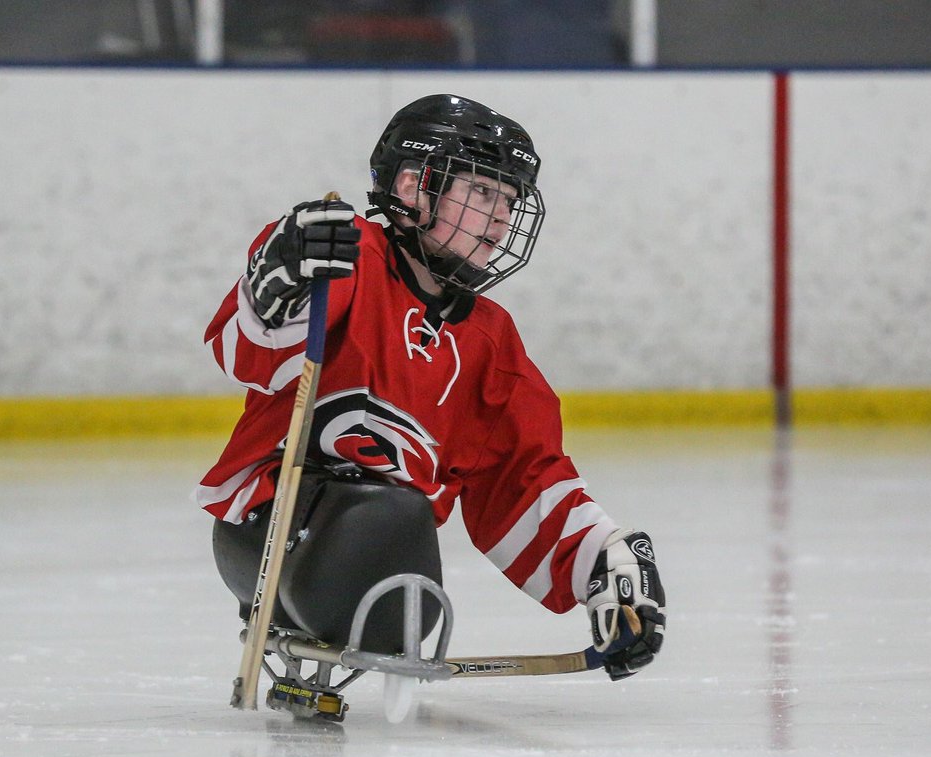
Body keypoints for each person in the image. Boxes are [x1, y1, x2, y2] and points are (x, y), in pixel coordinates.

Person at [196, 94, 665, 680]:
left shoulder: (490, 339)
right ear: (416, 189)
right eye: (484, 192)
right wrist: (281, 276)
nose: (501, 217)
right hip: (265, 529)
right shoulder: (349, 258)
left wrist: (602, 562)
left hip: (377, 550)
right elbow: (246, 356)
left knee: (396, 525)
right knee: (392, 517)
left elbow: (523, 475)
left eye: (512, 199)